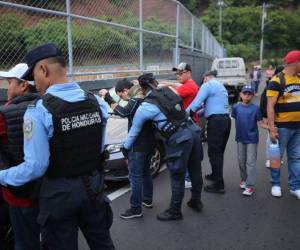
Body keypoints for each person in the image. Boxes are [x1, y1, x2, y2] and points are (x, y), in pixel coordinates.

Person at [0, 43, 115, 249]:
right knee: (103, 244)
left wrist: (2, 176)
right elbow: (98, 147)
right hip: (94, 187)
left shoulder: (38, 111)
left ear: (43, 70)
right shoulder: (96, 101)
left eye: (33, 75)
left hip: (59, 194)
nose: (33, 82)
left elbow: (35, 167)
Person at [123, 73, 203, 221]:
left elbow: (134, 132)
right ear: (155, 82)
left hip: (179, 138)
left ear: (141, 88)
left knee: (177, 176)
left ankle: (174, 211)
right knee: (195, 168)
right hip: (193, 130)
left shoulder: (146, 106)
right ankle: (196, 200)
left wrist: (125, 148)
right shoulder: (168, 92)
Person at [99, 78, 156, 219]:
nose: (123, 98)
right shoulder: (146, 95)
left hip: (139, 144)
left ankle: (136, 208)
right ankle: (147, 199)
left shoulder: (136, 99)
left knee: (135, 176)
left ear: (125, 90)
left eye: (121, 96)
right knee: (145, 172)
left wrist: (107, 98)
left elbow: (123, 112)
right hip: (150, 141)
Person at [0, 63, 40, 250]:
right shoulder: (47, 106)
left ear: (23, 85)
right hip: (48, 191)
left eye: (10, 83)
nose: (7, 88)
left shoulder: (5, 114)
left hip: (18, 193)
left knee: (24, 242)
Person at [187, 70, 231, 194]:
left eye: (203, 81)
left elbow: (195, 104)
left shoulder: (208, 85)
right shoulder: (220, 86)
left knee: (214, 152)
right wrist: (197, 113)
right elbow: (207, 108)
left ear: (205, 78)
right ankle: (215, 175)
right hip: (226, 120)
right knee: (218, 151)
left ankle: (219, 185)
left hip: (216, 122)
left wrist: (183, 114)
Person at [267, 50, 300, 199]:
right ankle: (275, 184)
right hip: (282, 127)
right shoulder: (276, 81)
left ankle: (295, 186)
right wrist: (272, 128)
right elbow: (270, 107)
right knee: (276, 157)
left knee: (295, 157)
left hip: (298, 127)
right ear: (296, 63)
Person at [161, 62, 200, 189]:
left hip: (188, 124)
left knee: (185, 153)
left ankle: (188, 179)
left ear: (189, 73)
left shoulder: (189, 86)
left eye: (181, 73)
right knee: (188, 153)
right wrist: (168, 83)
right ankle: (191, 179)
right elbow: (177, 85)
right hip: (189, 122)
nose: (178, 75)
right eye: (177, 73)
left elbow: (172, 95)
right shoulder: (188, 84)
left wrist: (163, 86)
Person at [232, 85, 266, 196]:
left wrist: (271, 127)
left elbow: (261, 123)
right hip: (240, 138)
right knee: (241, 161)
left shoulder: (256, 109)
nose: (247, 96)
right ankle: (244, 179)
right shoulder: (236, 107)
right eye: (245, 93)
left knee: (250, 163)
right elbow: (235, 119)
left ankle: (250, 186)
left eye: (249, 94)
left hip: (252, 139)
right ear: (241, 94)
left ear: (252, 96)